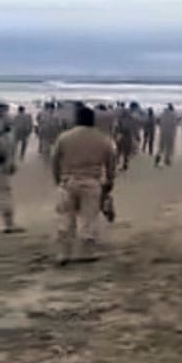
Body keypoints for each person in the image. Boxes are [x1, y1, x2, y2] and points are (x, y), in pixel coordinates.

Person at [51, 105, 118, 266]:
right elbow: (111, 163)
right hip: (92, 182)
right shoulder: (103, 139)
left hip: (68, 181)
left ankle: (63, 253)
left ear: (77, 119)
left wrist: (58, 180)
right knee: (89, 219)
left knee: (66, 218)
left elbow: (55, 160)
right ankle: (87, 252)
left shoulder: (64, 137)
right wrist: (109, 182)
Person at [0, 103, 24, 233]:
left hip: (2, 166)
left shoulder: (4, 135)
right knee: (4, 194)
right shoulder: (1, 135)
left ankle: (9, 223)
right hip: (0, 168)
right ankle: (9, 224)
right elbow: (3, 152)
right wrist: (9, 163)